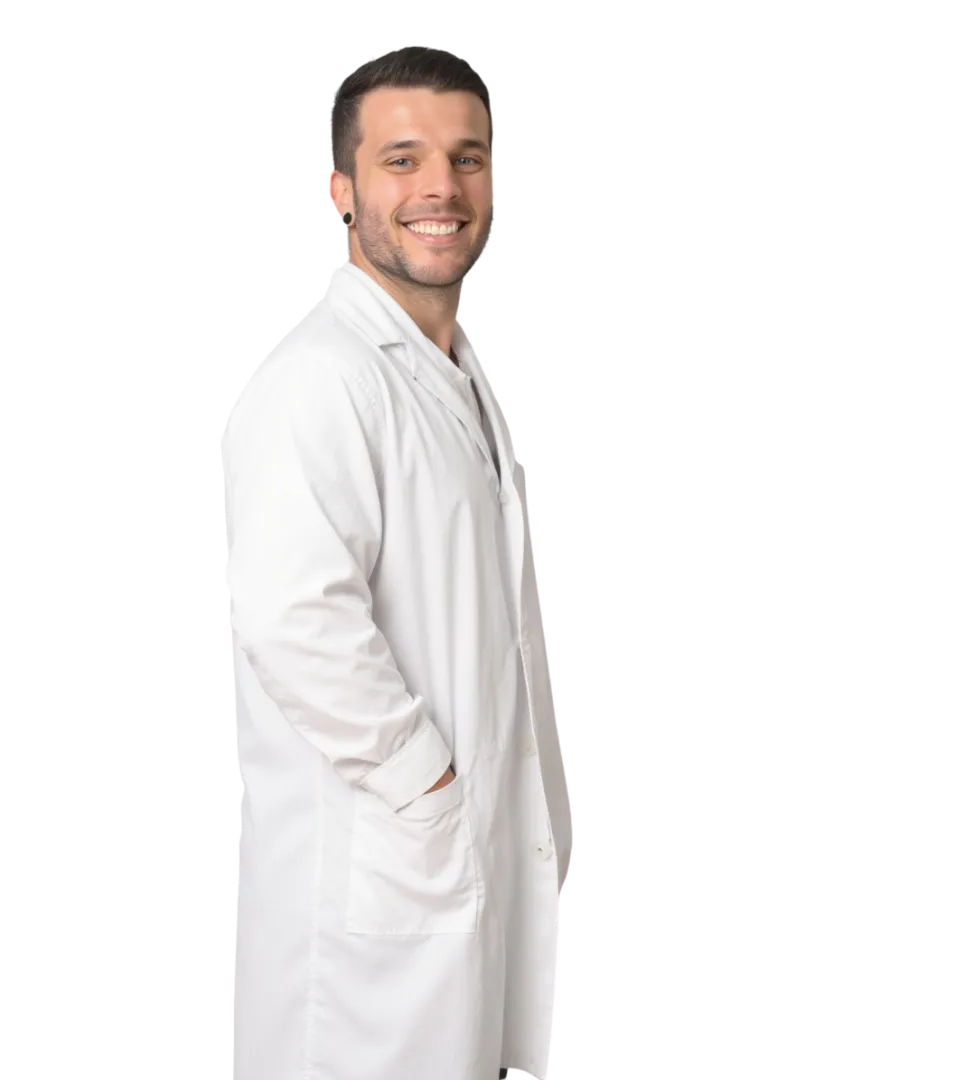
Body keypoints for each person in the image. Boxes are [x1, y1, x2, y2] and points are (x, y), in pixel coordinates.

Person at [225, 46, 572, 1080]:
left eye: (467, 158)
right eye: (402, 159)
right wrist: (430, 785)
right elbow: (294, 619)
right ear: (341, 188)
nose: (440, 189)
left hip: (459, 870)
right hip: (381, 876)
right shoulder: (317, 377)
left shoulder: (457, 376)